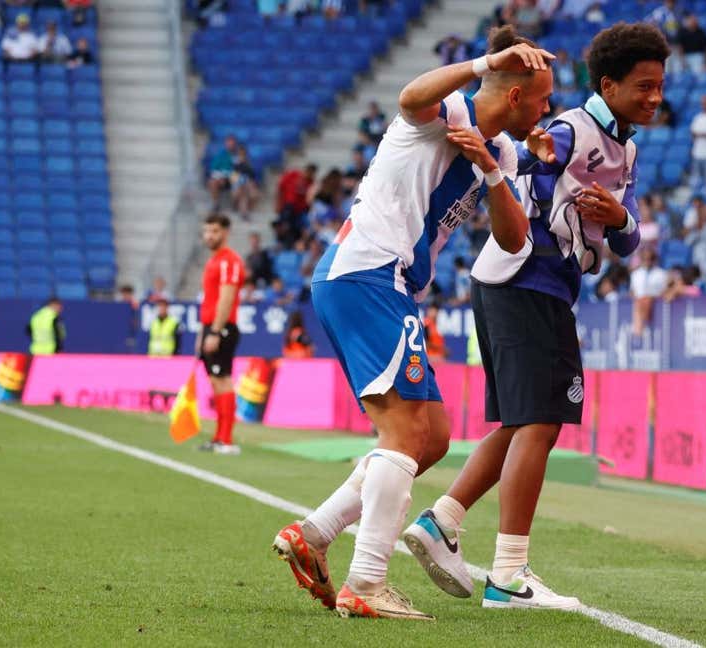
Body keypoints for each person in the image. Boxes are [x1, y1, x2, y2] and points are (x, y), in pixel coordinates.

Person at [271, 27, 550, 621]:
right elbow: (407, 97)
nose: (548, 111)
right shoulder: (446, 108)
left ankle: (314, 534)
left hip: (385, 285)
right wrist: (482, 63)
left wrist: (492, 172)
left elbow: (514, 236)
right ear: (518, 94)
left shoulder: (497, 153)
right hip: (369, 272)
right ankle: (366, 582)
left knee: (435, 438)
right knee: (403, 435)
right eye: (544, 99)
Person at [401, 22, 664, 613]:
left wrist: (620, 217)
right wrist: (532, 162)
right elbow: (519, 160)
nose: (653, 98)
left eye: (658, 87)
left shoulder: (626, 147)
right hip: (527, 280)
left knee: (523, 424)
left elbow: (627, 243)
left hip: (528, 286)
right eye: (643, 87)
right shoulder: (572, 128)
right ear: (609, 85)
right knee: (541, 424)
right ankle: (508, 576)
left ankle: (442, 520)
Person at [196, 214, 244, 454]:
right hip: (210, 327)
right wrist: (202, 333)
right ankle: (219, 437)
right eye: (206, 231)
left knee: (223, 380)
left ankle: (227, 439)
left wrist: (215, 331)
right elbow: (209, 300)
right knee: (216, 382)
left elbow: (227, 297)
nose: (209, 236)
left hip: (222, 327)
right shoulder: (214, 261)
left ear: (225, 232)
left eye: (214, 231)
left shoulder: (229, 261)